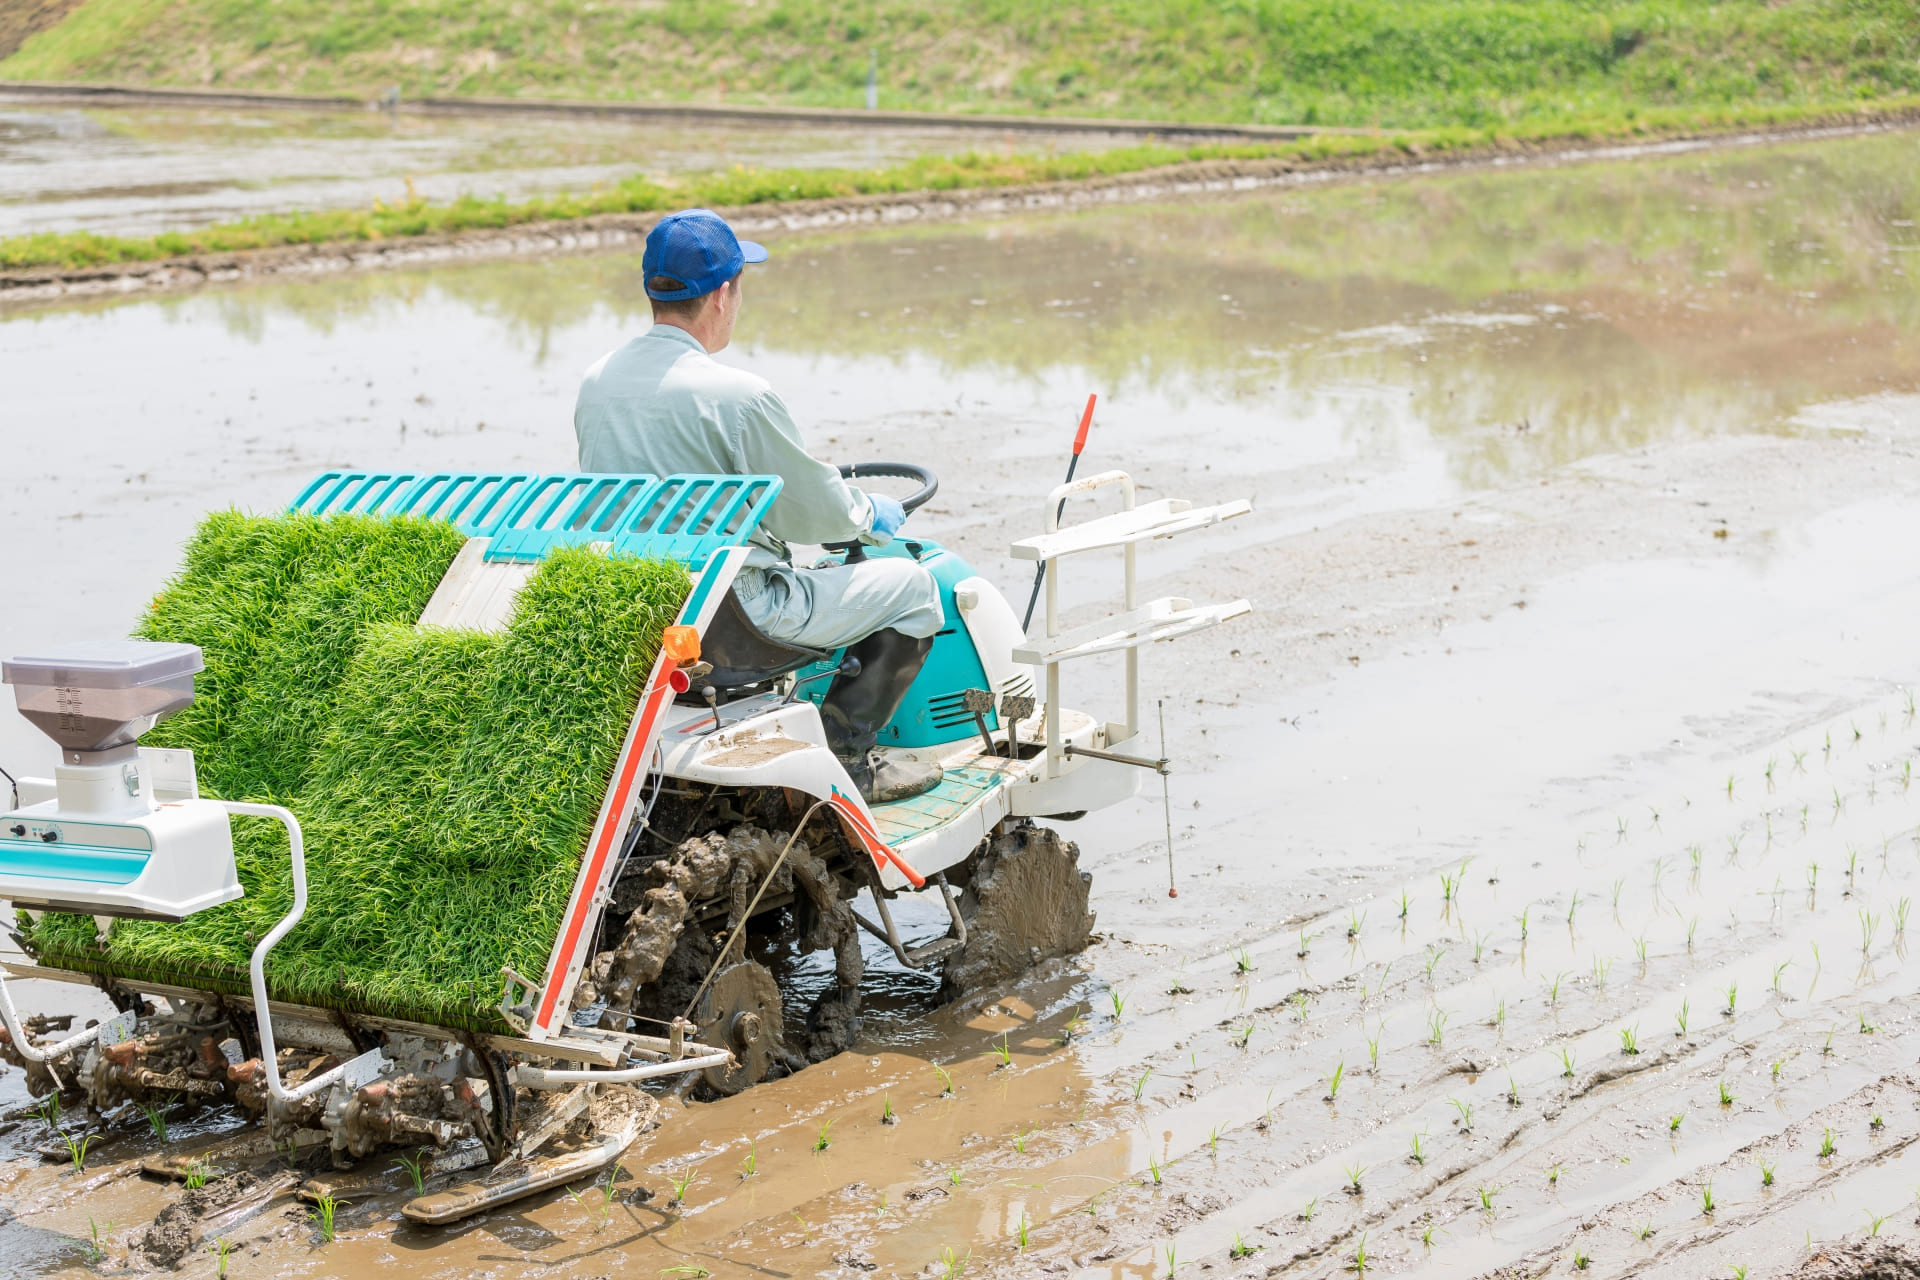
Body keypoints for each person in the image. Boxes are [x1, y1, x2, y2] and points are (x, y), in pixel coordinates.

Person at [574, 208, 944, 805]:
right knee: (913, 586)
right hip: (736, 616)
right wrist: (868, 515)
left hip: (645, 600)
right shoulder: (739, 397)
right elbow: (811, 515)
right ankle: (850, 760)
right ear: (723, 294)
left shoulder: (598, 381)